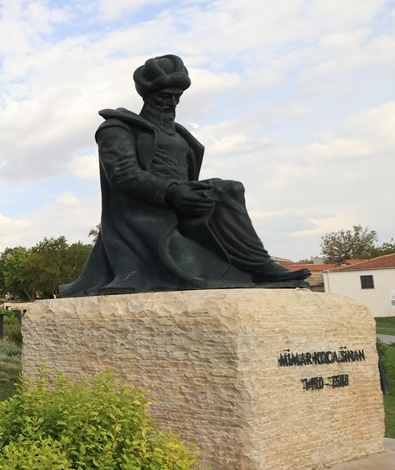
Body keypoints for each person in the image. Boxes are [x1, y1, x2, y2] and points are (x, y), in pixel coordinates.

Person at [61, 54, 310, 297]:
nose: (172, 103)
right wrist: (171, 191)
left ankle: (258, 265)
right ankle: (255, 267)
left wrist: (189, 193)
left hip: (183, 204)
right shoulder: (117, 128)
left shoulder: (181, 135)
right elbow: (124, 175)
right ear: (147, 96)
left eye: (177, 97)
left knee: (231, 189)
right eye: (164, 97)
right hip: (144, 214)